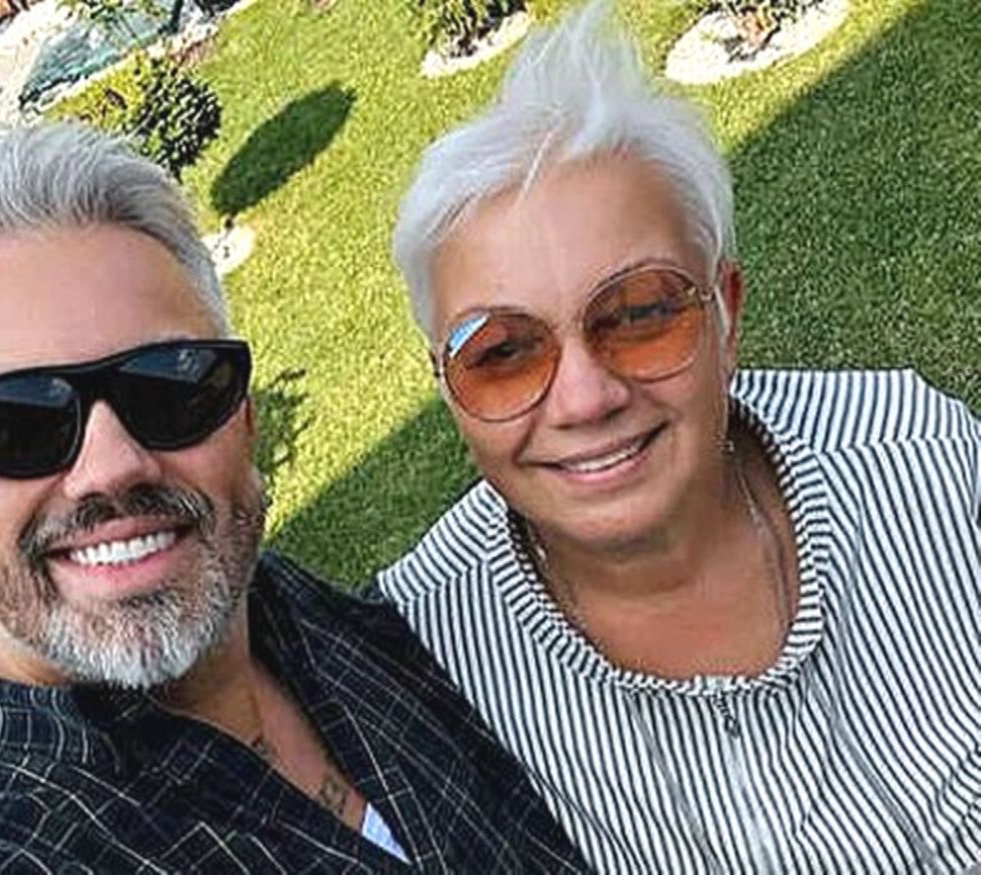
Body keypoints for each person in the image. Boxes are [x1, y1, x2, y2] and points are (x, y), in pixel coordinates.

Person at [0, 122, 589, 873]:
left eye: (170, 385)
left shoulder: (296, 612)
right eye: (15, 422)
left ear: (242, 416)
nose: (112, 466)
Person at [376, 2, 981, 873]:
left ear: (725, 314)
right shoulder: (424, 651)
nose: (585, 397)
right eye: (502, 353)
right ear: (446, 386)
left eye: (638, 314)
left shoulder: (921, 463)